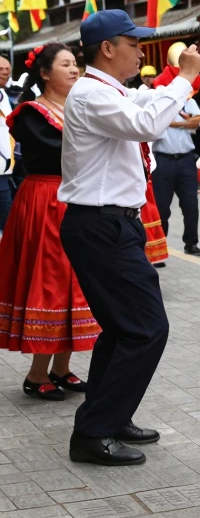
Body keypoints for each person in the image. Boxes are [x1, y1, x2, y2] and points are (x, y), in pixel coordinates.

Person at [58, 9, 200, 466]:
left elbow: (146, 107)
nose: (141, 51)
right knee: (146, 329)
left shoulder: (110, 91)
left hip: (112, 222)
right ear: (108, 48)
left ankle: (108, 414)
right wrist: (184, 79)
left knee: (123, 328)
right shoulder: (89, 94)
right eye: (133, 43)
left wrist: (185, 82)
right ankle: (94, 430)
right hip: (100, 224)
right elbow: (145, 124)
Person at [0, 44, 100, 401]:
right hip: (46, 200)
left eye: (76, 64)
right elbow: (68, 151)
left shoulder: (80, 105)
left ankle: (61, 367)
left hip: (74, 197)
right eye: (65, 65)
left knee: (77, 282)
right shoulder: (32, 112)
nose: (74, 70)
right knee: (52, 281)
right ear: (44, 73)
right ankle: (36, 373)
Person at [150, 92, 200, 257]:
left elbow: (198, 120)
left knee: (191, 205)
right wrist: (184, 122)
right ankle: (159, 248)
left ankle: (191, 243)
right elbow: (154, 124)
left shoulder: (187, 100)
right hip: (163, 160)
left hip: (186, 159)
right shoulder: (156, 101)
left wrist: (170, 123)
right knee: (162, 208)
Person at [0, 56, 14, 233]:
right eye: (1, 68)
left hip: (5, 172)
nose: (5, 72)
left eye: (7, 69)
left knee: (9, 226)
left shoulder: (5, 97)